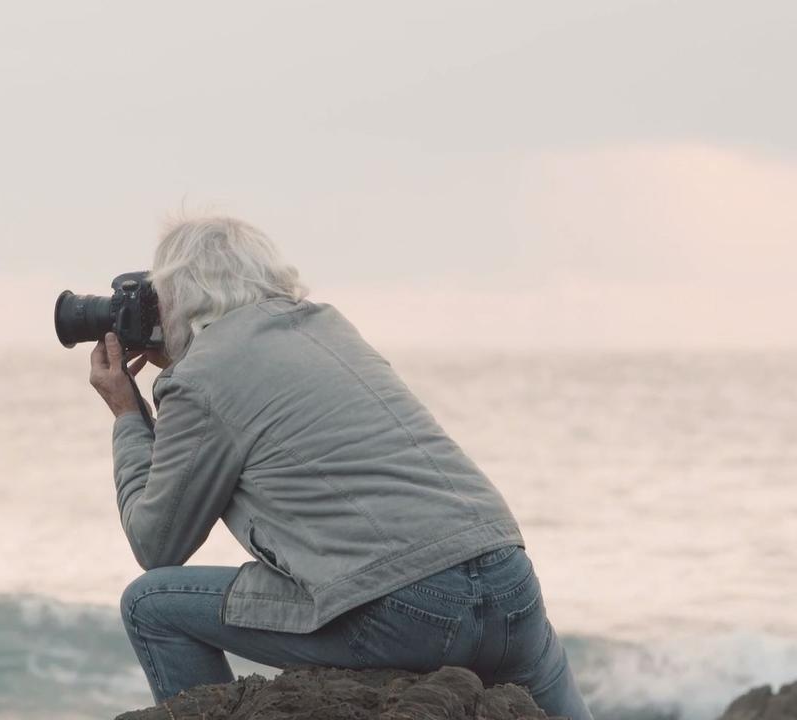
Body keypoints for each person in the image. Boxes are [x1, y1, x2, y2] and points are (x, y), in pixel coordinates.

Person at [86, 214, 593, 720]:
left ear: (177, 295)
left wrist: (129, 416)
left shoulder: (201, 378)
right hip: (508, 582)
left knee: (150, 604)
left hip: (408, 609)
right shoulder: (327, 326)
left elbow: (156, 544)